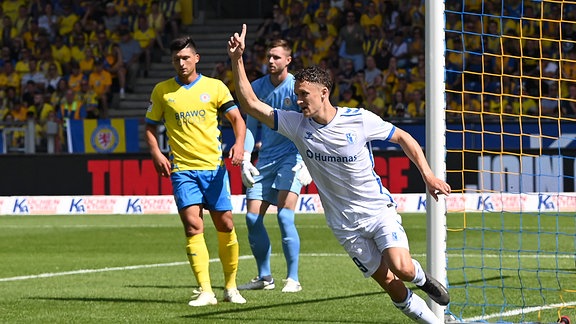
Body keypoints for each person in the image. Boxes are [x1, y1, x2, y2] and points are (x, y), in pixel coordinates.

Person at [228, 24, 451, 324]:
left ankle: (423, 279)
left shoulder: (359, 120)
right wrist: (237, 60)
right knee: (391, 286)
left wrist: (428, 175)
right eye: (297, 95)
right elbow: (251, 104)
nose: (298, 100)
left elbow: (403, 137)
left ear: (324, 93)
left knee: (403, 268)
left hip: (376, 210)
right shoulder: (296, 124)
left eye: (304, 94)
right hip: (344, 224)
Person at [144, 35, 247, 307]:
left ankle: (230, 286)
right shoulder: (162, 91)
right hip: (183, 170)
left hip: (214, 169)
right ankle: (205, 290)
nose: (181, 62)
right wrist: (156, 153)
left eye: (186, 57)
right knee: (193, 226)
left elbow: (237, 119)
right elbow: (150, 127)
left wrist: (239, 145)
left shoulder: (215, 87)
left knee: (225, 223)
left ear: (196, 59)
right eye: (177, 59)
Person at [236, 39, 312, 294]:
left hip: (293, 156)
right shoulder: (257, 87)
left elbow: (310, 123)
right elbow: (251, 125)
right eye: (269, 56)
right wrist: (246, 157)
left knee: (284, 215)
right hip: (265, 158)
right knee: (251, 217)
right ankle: (264, 276)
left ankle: (293, 278)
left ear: (288, 60)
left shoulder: (297, 87)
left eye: (277, 57)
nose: (271, 61)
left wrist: (308, 161)